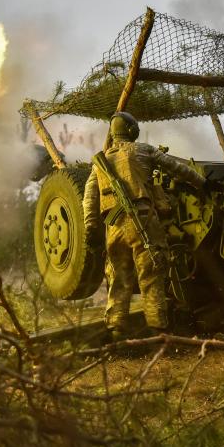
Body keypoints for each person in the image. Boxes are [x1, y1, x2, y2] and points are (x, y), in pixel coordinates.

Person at [82, 111, 207, 337]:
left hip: (114, 227)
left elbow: (89, 198)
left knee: (118, 279)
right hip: (143, 221)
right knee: (151, 274)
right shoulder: (143, 150)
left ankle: (116, 328)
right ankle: (159, 330)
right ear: (131, 131)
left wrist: (91, 225)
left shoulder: (100, 162)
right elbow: (177, 168)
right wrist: (201, 182)